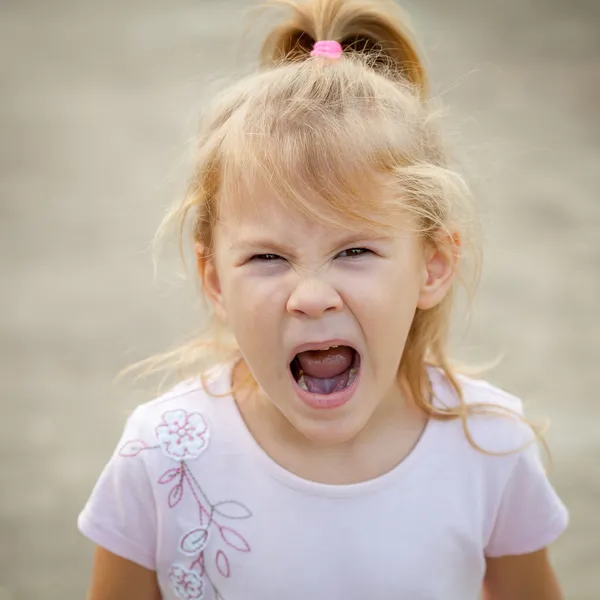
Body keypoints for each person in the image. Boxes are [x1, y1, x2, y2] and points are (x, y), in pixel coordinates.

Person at [78, 0, 569, 598]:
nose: (310, 297)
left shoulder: (488, 448)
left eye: (355, 251)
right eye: (267, 257)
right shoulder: (160, 458)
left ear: (433, 264)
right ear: (214, 282)